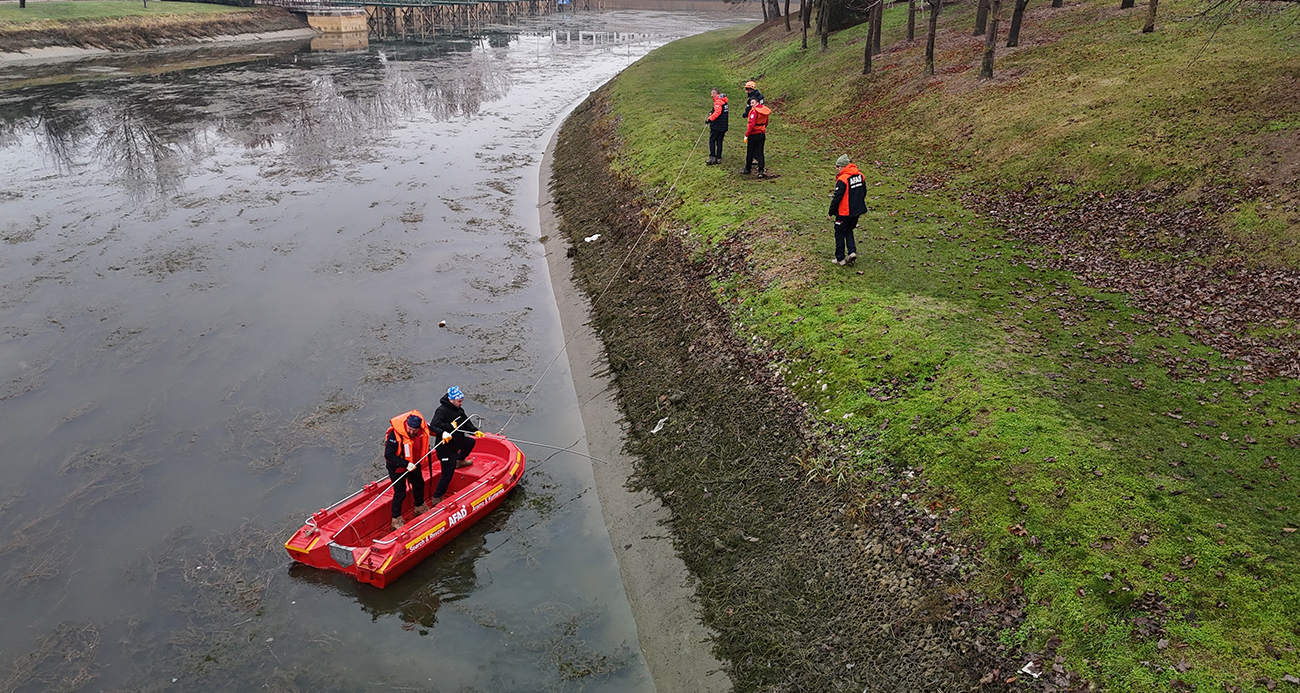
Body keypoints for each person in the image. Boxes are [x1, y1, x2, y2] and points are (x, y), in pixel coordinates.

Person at [429, 386, 484, 505]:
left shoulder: (459, 410)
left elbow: (466, 422)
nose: (461, 403)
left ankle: (459, 461)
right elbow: (434, 425)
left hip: (457, 441)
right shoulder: (441, 411)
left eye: (462, 401)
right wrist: (449, 427)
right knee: (447, 475)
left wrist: (474, 431)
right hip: (446, 448)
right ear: (451, 400)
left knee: (470, 442)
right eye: (459, 401)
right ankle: (437, 497)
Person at [384, 411, 431, 530]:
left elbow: (433, 429)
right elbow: (389, 455)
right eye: (410, 429)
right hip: (398, 467)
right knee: (400, 493)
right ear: (406, 426)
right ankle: (396, 519)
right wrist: (405, 464)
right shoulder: (394, 435)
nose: (412, 432)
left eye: (414, 431)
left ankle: (419, 506)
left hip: (414, 463)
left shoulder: (421, 429)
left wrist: (444, 433)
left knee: (419, 483)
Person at [827, 154, 867, 266]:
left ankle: (840, 258)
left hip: (844, 212)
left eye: (838, 166)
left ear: (843, 167)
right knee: (849, 229)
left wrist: (831, 212)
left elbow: (837, 197)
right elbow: (863, 192)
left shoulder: (843, 179)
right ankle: (852, 252)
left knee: (839, 232)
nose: (836, 168)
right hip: (856, 211)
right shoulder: (860, 176)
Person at [742, 98, 771, 177]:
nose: (751, 104)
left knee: (750, 152)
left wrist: (747, 134)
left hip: (753, 134)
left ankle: (748, 169)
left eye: (752, 103)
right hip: (762, 134)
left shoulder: (754, 112)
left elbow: (751, 125)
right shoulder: (764, 111)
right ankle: (761, 171)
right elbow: (766, 122)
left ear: (757, 103)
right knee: (760, 153)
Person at [705, 88, 728, 166]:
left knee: (712, 140)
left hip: (717, 125)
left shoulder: (718, 102)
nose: (711, 95)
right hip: (723, 126)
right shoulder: (724, 102)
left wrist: (709, 119)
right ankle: (719, 157)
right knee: (719, 141)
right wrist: (712, 111)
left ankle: (712, 156)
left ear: (715, 93)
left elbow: (718, 112)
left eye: (712, 94)